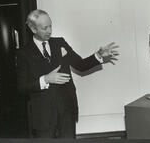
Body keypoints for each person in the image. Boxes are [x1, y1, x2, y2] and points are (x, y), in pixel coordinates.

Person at [17, 9, 119, 138]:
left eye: (50, 26)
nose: (49, 31)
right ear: (33, 29)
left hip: (67, 111)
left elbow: (81, 65)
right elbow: (22, 88)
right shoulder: (23, 53)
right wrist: (45, 79)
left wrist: (98, 55)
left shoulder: (60, 43)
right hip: (43, 117)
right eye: (45, 28)